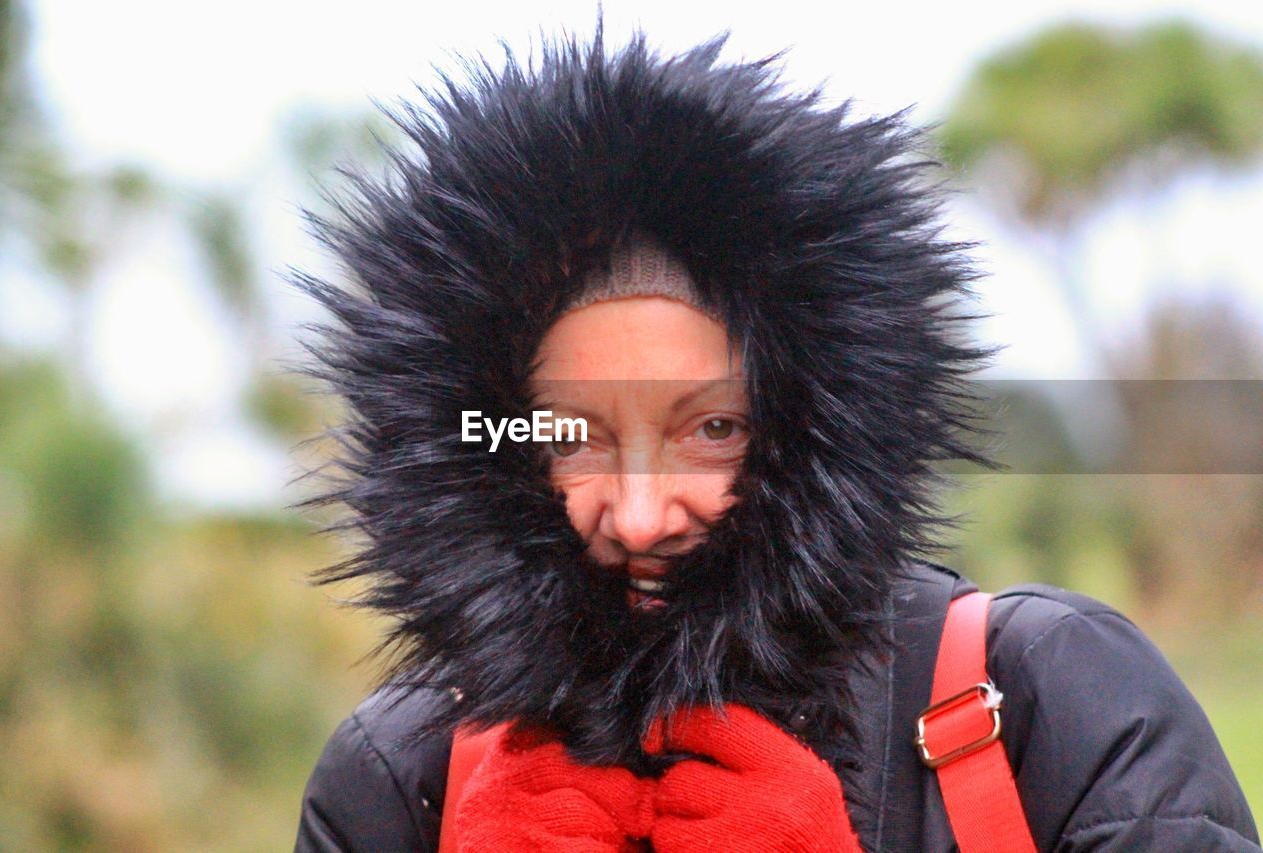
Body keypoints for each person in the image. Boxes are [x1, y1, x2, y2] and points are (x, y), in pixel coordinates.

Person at [291, 26, 1260, 852]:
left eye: (711, 428)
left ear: (814, 425)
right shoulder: (394, 782)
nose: (636, 513)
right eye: (571, 436)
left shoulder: (1054, 705)